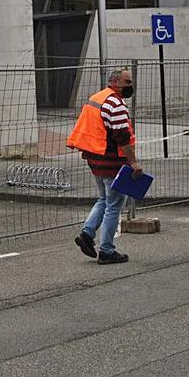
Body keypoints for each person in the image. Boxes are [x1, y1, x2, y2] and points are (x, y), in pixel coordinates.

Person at [67, 67, 143, 264]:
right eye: (127, 82)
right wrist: (133, 163)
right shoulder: (115, 104)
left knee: (103, 199)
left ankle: (87, 233)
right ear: (115, 82)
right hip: (111, 161)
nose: (131, 86)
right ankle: (107, 250)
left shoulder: (98, 97)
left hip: (95, 158)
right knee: (114, 205)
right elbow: (122, 137)